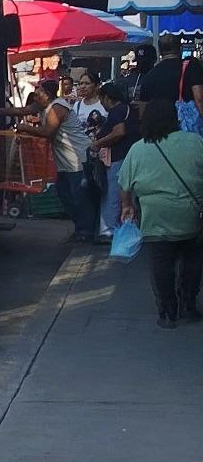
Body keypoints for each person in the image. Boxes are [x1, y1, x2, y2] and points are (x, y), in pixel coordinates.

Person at [118, 100, 203, 328]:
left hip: (155, 216)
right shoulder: (195, 142)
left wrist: (128, 206)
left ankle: (167, 310)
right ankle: (189, 303)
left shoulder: (138, 148)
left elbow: (125, 185)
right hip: (191, 214)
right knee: (193, 261)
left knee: (161, 264)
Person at [19, 78, 97, 242]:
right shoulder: (44, 106)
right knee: (66, 195)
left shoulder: (58, 107)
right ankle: (81, 230)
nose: (35, 95)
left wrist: (25, 128)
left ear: (47, 95)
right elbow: (21, 110)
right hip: (66, 162)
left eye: (38, 91)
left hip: (79, 159)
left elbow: (48, 131)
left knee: (79, 197)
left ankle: (86, 232)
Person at [90, 81, 137, 240]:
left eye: (101, 100)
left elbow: (119, 132)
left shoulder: (117, 111)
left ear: (106, 98)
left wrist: (98, 143)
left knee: (113, 194)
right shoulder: (128, 110)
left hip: (119, 158)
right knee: (125, 195)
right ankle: (123, 228)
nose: (101, 104)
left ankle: (108, 230)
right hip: (128, 157)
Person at [135, 33, 203, 130]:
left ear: (160, 51)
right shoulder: (191, 66)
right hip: (185, 128)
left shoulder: (150, 75)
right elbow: (199, 98)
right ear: (180, 48)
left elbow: (142, 112)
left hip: (160, 129)